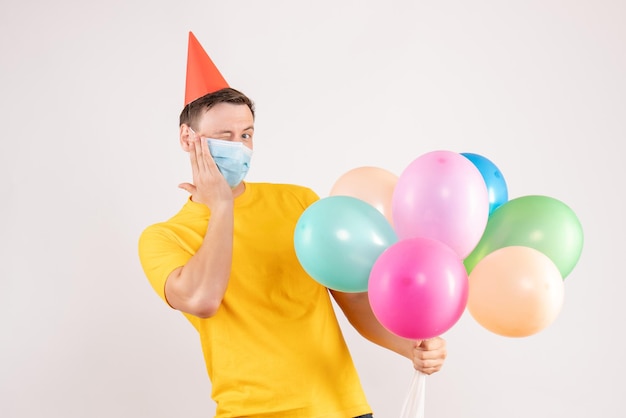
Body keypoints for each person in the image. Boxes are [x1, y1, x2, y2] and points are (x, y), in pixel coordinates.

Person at [138, 32, 447, 418]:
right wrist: (221, 209)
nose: (240, 146)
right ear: (189, 138)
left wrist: (410, 347)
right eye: (224, 136)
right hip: (251, 412)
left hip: (340, 407)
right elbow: (202, 300)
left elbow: (350, 297)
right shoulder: (164, 237)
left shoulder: (298, 202)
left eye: (246, 135)